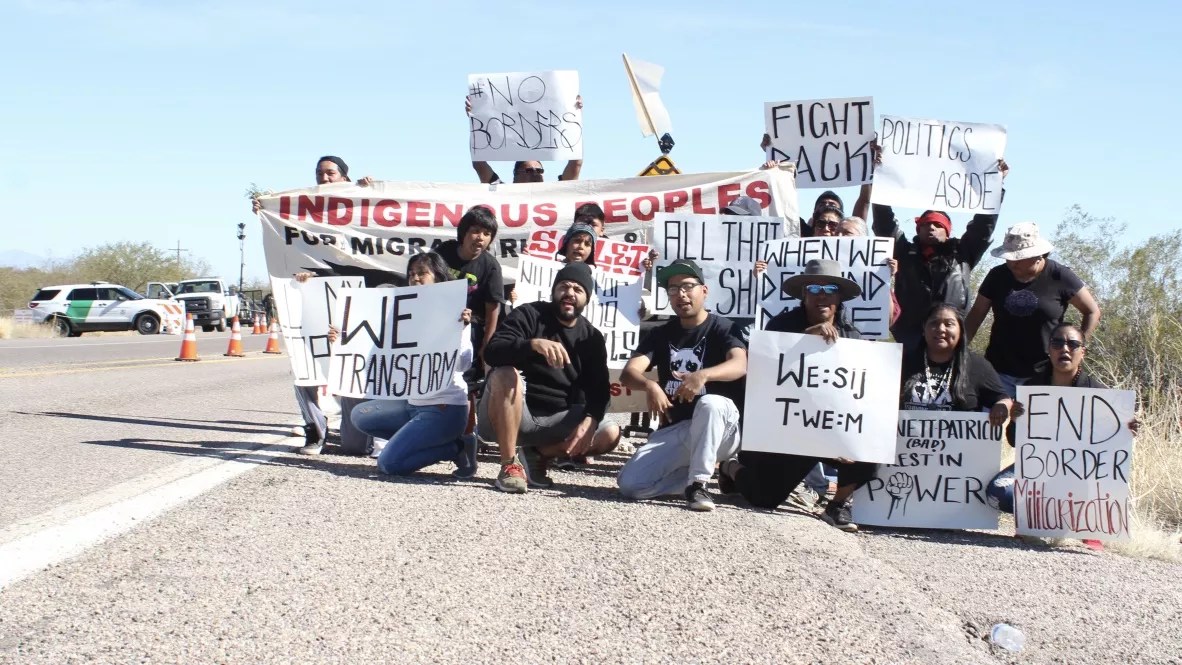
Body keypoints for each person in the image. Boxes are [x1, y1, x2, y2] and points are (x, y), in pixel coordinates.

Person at [717, 259, 874, 530]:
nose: (821, 295)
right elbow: (761, 372)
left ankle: (837, 505)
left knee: (871, 450)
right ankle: (729, 467)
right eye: (814, 288)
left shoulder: (853, 336)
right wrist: (805, 338)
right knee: (763, 498)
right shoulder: (780, 325)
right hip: (786, 432)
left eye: (830, 289)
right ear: (804, 294)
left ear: (839, 296)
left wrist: (847, 437)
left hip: (829, 432)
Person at [616, 259, 748, 512]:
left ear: (704, 291)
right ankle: (694, 478)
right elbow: (629, 374)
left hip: (723, 429)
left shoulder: (724, 327)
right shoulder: (660, 333)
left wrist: (704, 375)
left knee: (710, 403)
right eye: (673, 289)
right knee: (631, 485)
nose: (681, 294)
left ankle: (698, 484)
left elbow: (739, 364)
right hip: (679, 428)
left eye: (687, 286)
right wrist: (650, 386)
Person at [479, 262, 620, 493]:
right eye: (564, 286)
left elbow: (600, 391)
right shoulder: (529, 314)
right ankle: (509, 465)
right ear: (554, 291)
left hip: (556, 421)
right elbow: (492, 352)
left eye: (578, 289)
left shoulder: (591, 338)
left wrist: (590, 421)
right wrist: (531, 345)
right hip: (510, 415)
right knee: (504, 374)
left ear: (587, 298)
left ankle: (537, 455)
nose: (569, 293)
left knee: (609, 433)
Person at [345, 252, 478, 477]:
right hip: (411, 404)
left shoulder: (455, 312)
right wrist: (343, 338)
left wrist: (461, 330)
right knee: (360, 415)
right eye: (411, 274)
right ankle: (419, 441)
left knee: (389, 464)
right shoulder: (402, 313)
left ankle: (456, 448)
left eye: (422, 273)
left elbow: (463, 365)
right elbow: (374, 345)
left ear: (438, 277)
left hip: (443, 408)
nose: (415, 278)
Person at [985, 323, 1137, 515]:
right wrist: (1015, 420)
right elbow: (1015, 441)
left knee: (1085, 493)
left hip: (1081, 473)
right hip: (1038, 467)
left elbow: (1109, 450)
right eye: (1057, 343)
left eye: (1072, 344)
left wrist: (1126, 430)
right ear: (1049, 350)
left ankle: (1071, 519)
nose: (1064, 349)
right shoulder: (1032, 388)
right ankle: (1042, 517)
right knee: (997, 493)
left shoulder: (1099, 395)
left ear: (1083, 352)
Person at [872, 160, 1006, 349]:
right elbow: (884, 223)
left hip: (949, 338)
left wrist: (995, 186)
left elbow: (983, 225)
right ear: (918, 230)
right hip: (910, 340)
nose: (931, 227)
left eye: (938, 224)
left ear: (947, 231)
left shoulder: (963, 254)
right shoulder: (904, 253)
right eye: (926, 224)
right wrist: (880, 180)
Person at [965, 223, 1101, 397]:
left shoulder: (1060, 276)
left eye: (1019, 258)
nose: (1012, 263)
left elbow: (1092, 311)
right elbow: (976, 315)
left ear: (1038, 255)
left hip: (1043, 375)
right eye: (1009, 257)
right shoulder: (997, 276)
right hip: (999, 371)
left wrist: (1077, 347)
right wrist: (959, 350)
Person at [467, 96, 584, 185]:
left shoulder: (556, 194)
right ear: (515, 176)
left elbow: (576, 163)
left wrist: (574, 115)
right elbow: (479, 164)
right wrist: (476, 119)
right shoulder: (502, 194)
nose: (535, 174)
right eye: (529, 171)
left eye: (539, 171)